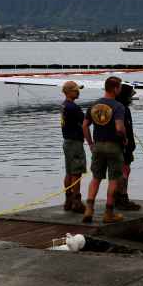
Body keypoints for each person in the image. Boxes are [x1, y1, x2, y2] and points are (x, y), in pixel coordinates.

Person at [81, 76, 127, 224]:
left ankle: (89, 210)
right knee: (114, 179)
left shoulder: (94, 105)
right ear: (114, 88)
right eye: (119, 87)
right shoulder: (118, 106)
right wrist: (124, 138)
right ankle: (108, 213)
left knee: (96, 178)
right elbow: (119, 128)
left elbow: (84, 126)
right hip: (113, 146)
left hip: (98, 145)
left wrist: (90, 143)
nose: (120, 90)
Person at [60, 81, 86, 213]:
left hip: (67, 141)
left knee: (69, 172)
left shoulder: (64, 105)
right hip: (75, 142)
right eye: (76, 90)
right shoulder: (73, 107)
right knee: (77, 171)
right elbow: (84, 121)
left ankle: (68, 200)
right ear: (69, 92)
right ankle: (77, 202)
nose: (78, 92)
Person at [115, 83, 141, 210]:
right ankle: (122, 197)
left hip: (124, 146)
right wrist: (126, 141)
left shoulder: (120, 107)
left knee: (123, 171)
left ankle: (118, 197)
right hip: (123, 147)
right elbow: (121, 128)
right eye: (130, 96)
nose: (131, 99)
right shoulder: (122, 109)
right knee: (124, 171)